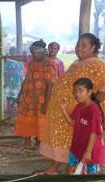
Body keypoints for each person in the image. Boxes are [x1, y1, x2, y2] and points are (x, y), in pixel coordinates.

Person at [39, 33, 105, 174]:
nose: (78, 48)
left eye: (84, 45)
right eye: (77, 45)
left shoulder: (98, 64)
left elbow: (102, 90)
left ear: (93, 47)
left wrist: (91, 103)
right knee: (62, 139)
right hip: (64, 109)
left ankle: (76, 171)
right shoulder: (77, 63)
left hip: (77, 110)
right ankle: (57, 167)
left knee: (75, 139)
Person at [15, 40, 57, 146]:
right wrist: (19, 94)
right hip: (28, 99)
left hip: (41, 100)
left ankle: (39, 143)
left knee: (40, 122)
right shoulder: (31, 63)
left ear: (43, 52)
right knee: (26, 120)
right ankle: (27, 141)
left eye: (37, 53)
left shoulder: (49, 64)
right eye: (33, 53)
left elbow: (51, 86)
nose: (34, 55)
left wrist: (46, 104)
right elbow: (26, 79)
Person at [59, 77, 105, 174]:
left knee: (87, 178)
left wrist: (88, 152)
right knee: (71, 172)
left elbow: (94, 133)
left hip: (90, 151)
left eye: (80, 91)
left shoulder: (94, 110)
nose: (77, 94)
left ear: (89, 92)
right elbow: (72, 123)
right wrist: (63, 109)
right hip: (77, 147)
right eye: (75, 91)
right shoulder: (79, 106)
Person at [3, 47, 25, 116]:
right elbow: (5, 71)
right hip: (10, 79)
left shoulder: (19, 60)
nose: (13, 52)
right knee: (8, 93)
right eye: (12, 51)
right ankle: (8, 107)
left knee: (17, 93)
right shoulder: (8, 60)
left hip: (18, 79)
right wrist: (6, 81)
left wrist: (22, 80)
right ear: (10, 52)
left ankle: (12, 106)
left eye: (14, 51)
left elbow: (22, 71)